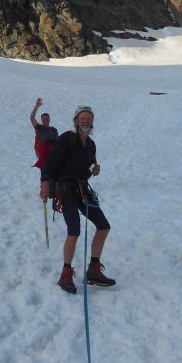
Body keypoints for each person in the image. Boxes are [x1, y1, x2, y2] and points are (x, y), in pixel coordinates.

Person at [39, 105, 115, 293]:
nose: (86, 120)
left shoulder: (91, 145)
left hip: (81, 189)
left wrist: (92, 171)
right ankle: (65, 275)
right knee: (74, 230)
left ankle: (94, 270)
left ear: (92, 122)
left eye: (89, 118)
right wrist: (45, 183)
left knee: (103, 226)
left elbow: (84, 171)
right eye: (83, 117)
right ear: (76, 120)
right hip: (65, 190)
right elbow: (51, 162)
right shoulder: (67, 138)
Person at [30, 98, 58, 169]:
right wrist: (36, 106)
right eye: (44, 119)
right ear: (41, 120)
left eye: (47, 118)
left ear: (49, 120)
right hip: (43, 152)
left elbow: (57, 141)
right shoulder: (39, 128)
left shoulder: (53, 130)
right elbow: (32, 118)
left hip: (52, 152)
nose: (46, 120)